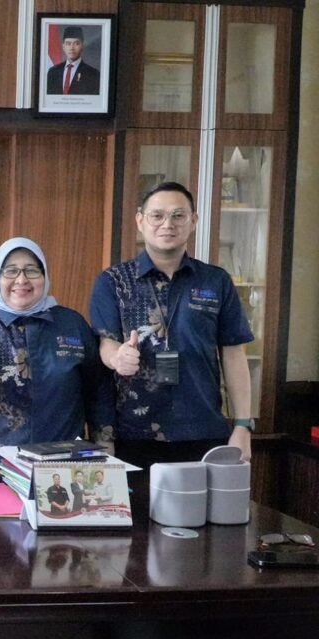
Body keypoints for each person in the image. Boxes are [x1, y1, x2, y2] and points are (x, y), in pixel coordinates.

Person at [90, 181, 255, 468]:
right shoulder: (113, 281)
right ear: (140, 221)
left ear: (194, 221)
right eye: (157, 215)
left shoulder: (215, 281)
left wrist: (242, 425)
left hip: (203, 429)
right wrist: (118, 357)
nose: (167, 224)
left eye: (178, 215)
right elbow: (105, 342)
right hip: (134, 432)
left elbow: (233, 353)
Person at [0, 237, 114, 476]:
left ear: (45, 276)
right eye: (10, 271)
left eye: (32, 270)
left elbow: (98, 389)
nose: (21, 279)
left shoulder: (71, 323)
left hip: (60, 471)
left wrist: (105, 446)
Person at [46, 26, 101, 96]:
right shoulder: (53, 72)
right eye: (68, 43)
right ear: (63, 46)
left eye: (76, 43)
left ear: (82, 46)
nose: (72, 48)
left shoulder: (93, 74)